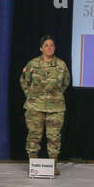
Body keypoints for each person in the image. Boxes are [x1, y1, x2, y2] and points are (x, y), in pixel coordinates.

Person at [19, 35, 70, 174]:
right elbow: (24, 81)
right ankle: (33, 164)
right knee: (34, 134)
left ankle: (52, 166)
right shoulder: (32, 64)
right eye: (46, 45)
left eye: (52, 45)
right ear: (41, 48)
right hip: (35, 106)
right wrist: (31, 96)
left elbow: (65, 83)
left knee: (54, 136)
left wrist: (55, 96)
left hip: (56, 107)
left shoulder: (61, 65)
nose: (49, 48)